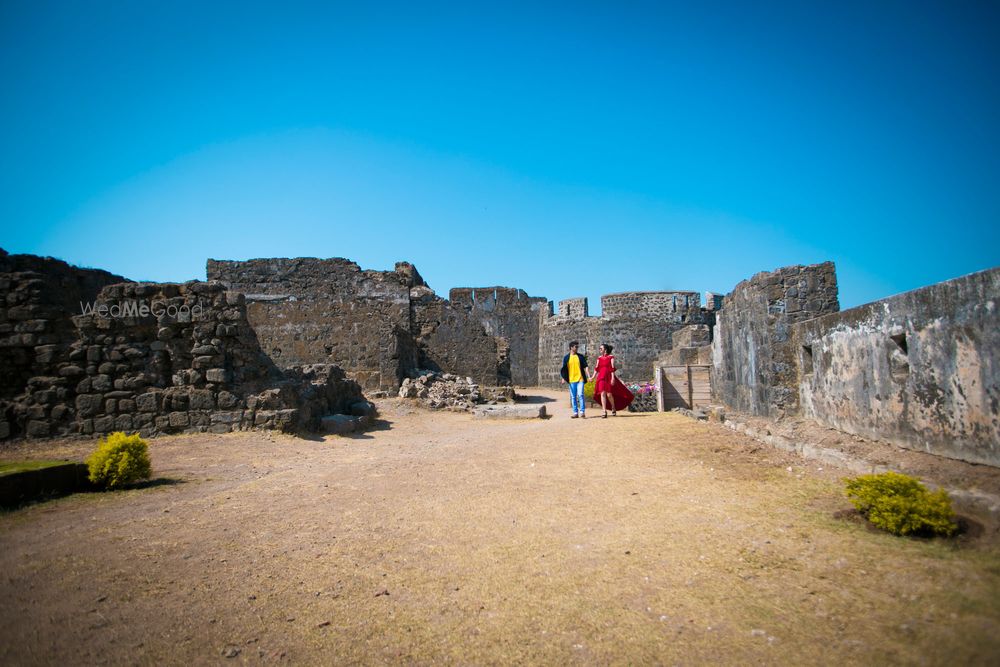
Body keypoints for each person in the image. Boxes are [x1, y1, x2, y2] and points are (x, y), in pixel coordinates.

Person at [591, 343, 634, 418]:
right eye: (599, 348)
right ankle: (604, 411)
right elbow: (596, 368)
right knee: (602, 393)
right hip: (601, 377)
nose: (599, 350)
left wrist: (613, 378)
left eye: (601, 348)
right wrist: (592, 377)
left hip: (609, 377)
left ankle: (613, 407)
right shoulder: (599, 358)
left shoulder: (611, 357)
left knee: (609, 394)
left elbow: (612, 368)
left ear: (605, 349)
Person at [559, 340, 589, 418]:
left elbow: (586, 366)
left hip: (580, 379)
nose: (577, 348)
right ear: (571, 347)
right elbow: (564, 369)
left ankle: (582, 412)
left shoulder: (580, 357)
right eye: (576, 347)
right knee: (573, 397)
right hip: (571, 380)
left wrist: (589, 376)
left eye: (577, 347)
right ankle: (575, 413)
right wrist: (563, 378)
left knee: (580, 395)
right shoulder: (566, 358)